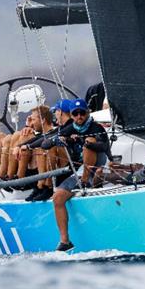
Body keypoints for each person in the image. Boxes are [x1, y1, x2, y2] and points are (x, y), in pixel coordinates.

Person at [43, 99, 111, 251]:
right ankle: (65, 241)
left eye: (82, 113)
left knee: (89, 140)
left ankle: (87, 181)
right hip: (79, 172)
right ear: (72, 115)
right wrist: (58, 140)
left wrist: (84, 142)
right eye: (76, 113)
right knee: (58, 197)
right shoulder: (68, 129)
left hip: (98, 166)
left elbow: (104, 146)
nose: (79, 116)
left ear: (87, 113)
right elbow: (45, 145)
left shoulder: (96, 127)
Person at [0, 105, 53, 181]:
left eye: (33, 119)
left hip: (31, 170)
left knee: (18, 135)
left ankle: (12, 176)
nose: (32, 123)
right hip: (18, 162)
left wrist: (21, 146)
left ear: (43, 120)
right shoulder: (35, 132)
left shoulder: (52, 133)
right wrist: (27, 125)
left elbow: (41, 139)